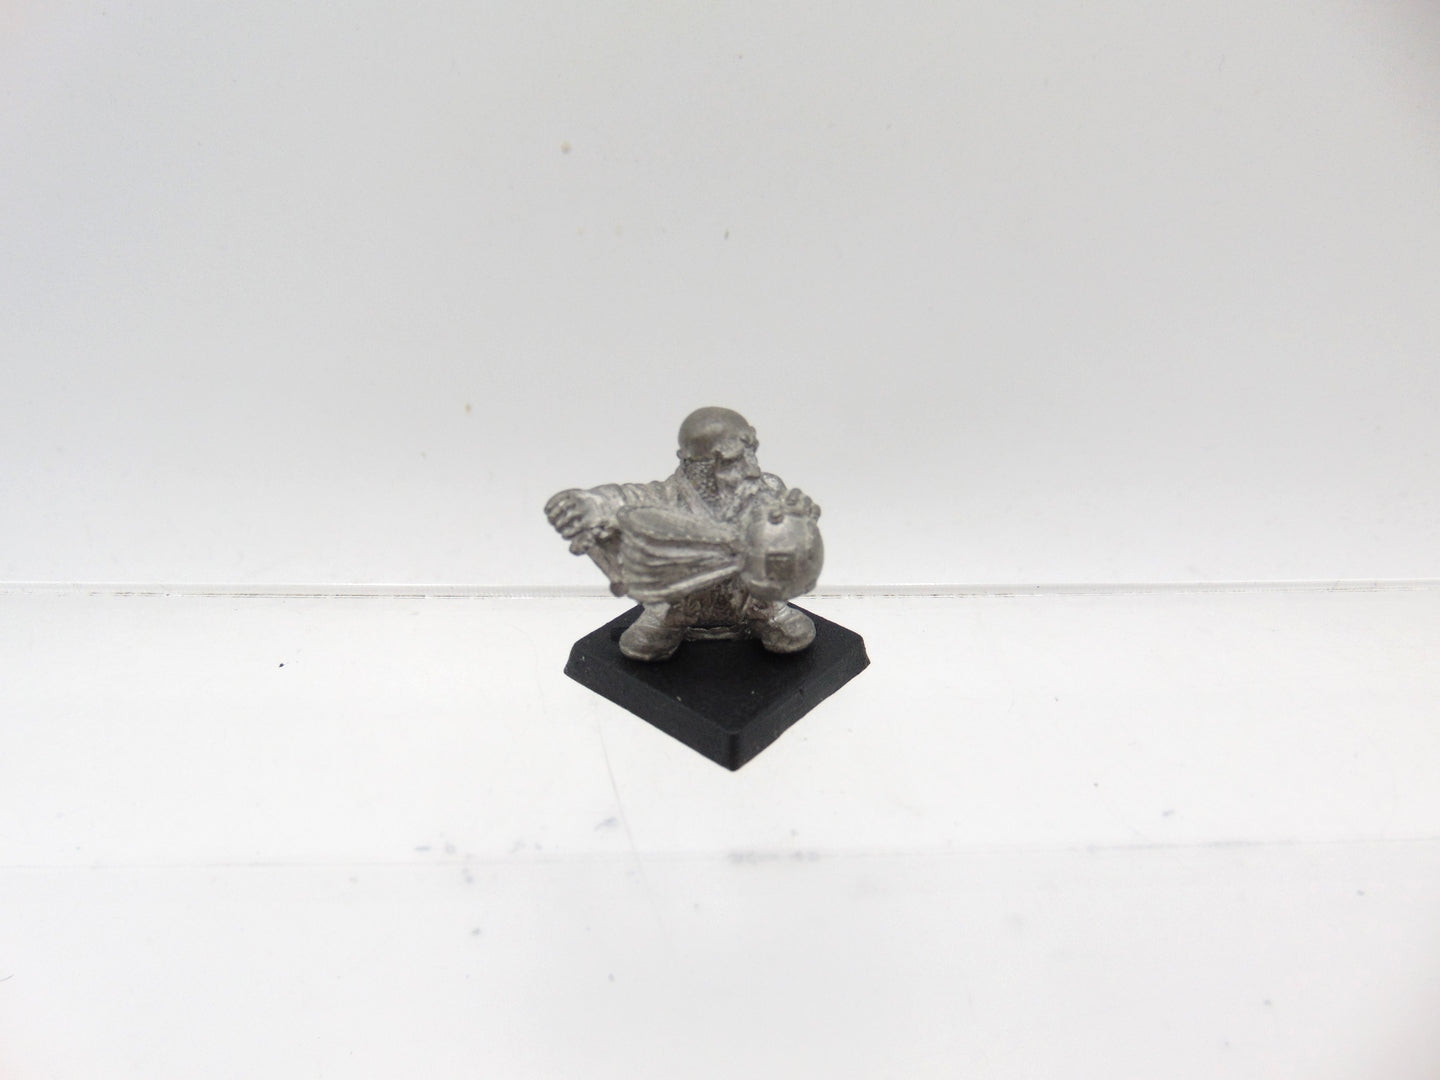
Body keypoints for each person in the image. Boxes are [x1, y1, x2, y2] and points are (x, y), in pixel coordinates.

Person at [545, 407, 822, 661]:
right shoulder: (665, 499)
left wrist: (800, 518)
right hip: (681, 606)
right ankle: (668, 621)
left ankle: (768, 615)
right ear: (698, 466)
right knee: (643, 646)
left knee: (792, 633)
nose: (752, 469)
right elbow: (624, 501)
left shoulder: (767, 489)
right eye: (733, 462)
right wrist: (589, 504)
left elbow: (789, 522)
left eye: (751, 455)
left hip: (754, 600)